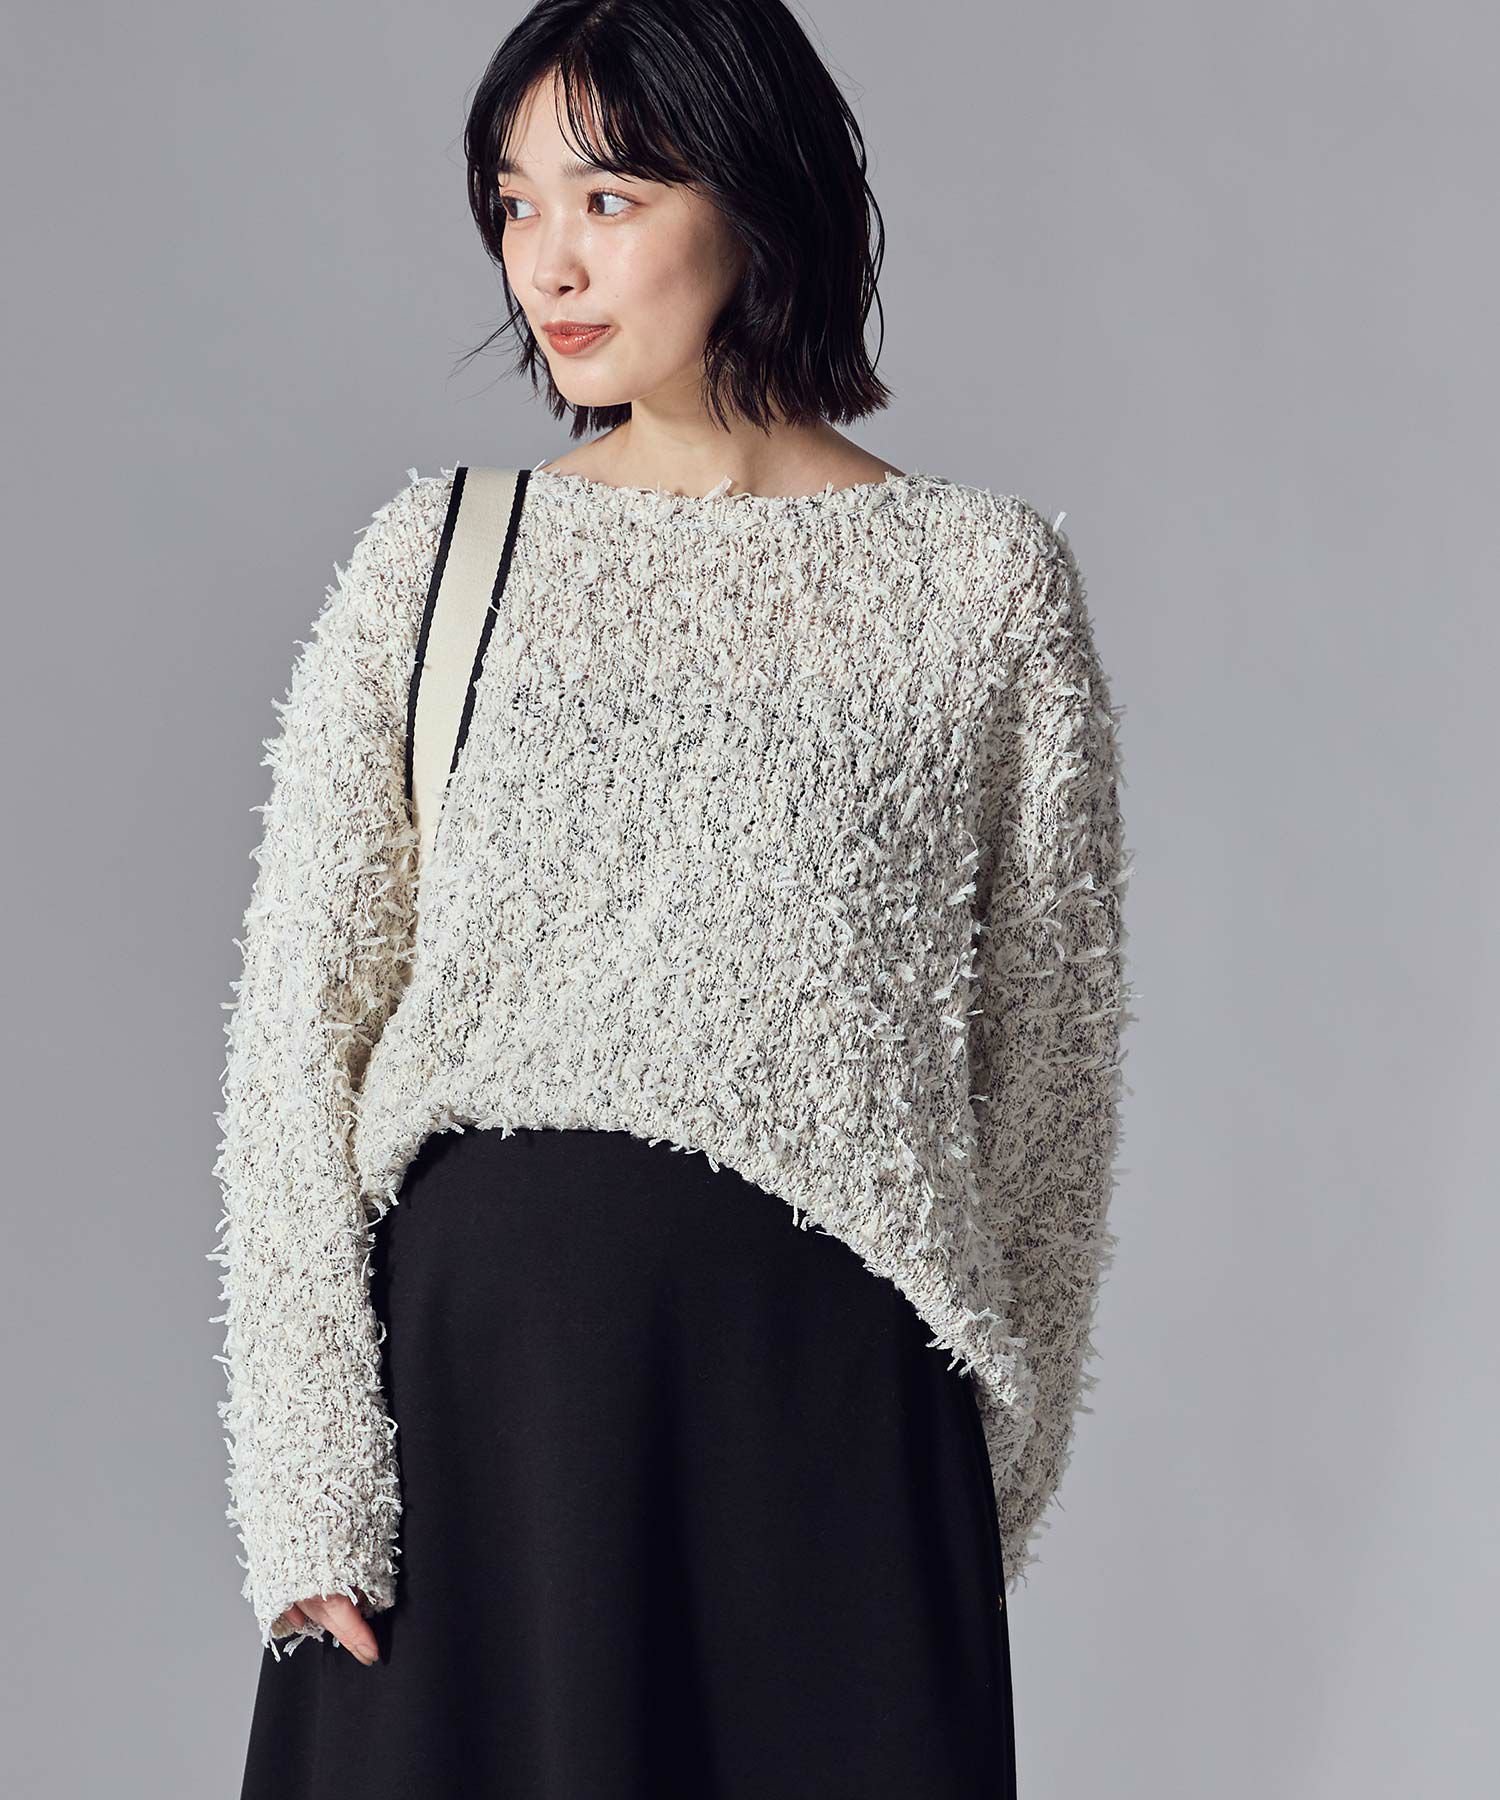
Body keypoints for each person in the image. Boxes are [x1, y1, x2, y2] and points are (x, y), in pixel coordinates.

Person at [213, 3, 1132, 1795]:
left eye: (609, 197)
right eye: (514, 201)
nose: (545, 261)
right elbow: (296, 1038)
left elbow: (1052, 1078)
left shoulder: (983, 587)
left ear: (757, 195)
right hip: (475, 1438)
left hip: (825, 1439)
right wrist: (310, 1479)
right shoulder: (439, 561)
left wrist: (967, 1475)